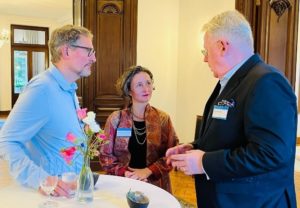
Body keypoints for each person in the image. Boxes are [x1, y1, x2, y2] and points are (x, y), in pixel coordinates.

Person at [166, 10, 297, 207]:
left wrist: (204, 162)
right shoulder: (233, 80)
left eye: (205, 52)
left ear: (222, 46)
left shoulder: (267, 81)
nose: (204, 59)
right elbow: (229, 134)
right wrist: (195, 147)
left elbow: (271, 153)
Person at [0, 24, 96, 197]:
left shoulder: (69, 90)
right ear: (66, 51)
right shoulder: (42, 88)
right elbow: (6, 141)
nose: (94, 58)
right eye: (89, 51)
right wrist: (39, 179)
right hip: (50, 197)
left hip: (70, 192)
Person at [99, 65, 179, 192]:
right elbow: (105, 155)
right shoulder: (116, 119)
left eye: (148, 83)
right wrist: (126, 173)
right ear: (129, 91)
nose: (146, 88)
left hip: (154, 185)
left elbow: (172, 154)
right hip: (121, 183)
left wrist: (148, 171)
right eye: (139, 85)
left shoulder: (163, 119)